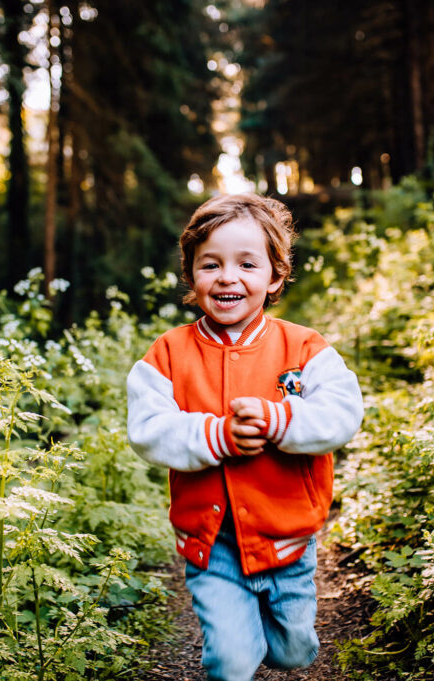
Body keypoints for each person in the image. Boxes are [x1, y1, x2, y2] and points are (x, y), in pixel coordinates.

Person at [126, 193, 363, 681]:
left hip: (288, 538)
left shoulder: (304, 348)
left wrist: (280, 421)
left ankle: (266, 636)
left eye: (247, 264)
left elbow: (342, 413)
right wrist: (217, 435)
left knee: (294, 652)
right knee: (232, 661)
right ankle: (235, 642)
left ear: (275, 276)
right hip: (212, 544)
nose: (227, 277)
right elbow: (148, 431)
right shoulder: (168, 354)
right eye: (210, 264)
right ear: (191, 275)